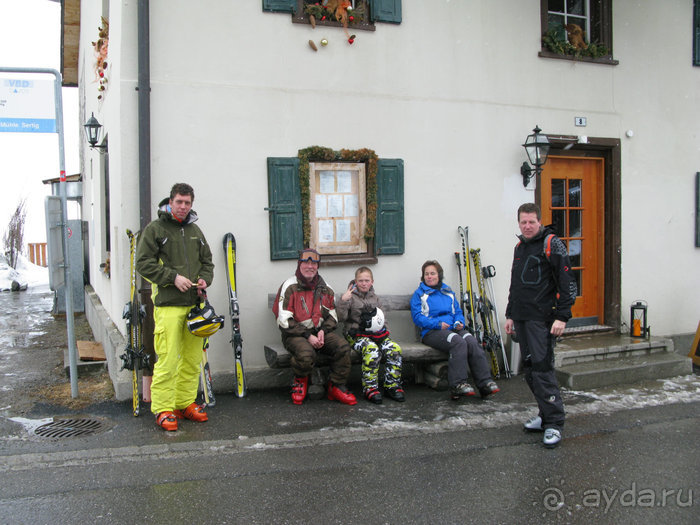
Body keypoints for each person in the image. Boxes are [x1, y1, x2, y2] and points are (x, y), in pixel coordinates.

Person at [135, 183, 214, 431]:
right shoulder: (156, 229)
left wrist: (204, 280)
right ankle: (163, 408)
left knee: (192, 359)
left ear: (191, 204)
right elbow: (143, 263)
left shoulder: (195, 231)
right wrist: (172, 278)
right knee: (168, 359)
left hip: (194, 306)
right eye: (179, 202)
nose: (183, 207)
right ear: (170, 202)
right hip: (169, 305)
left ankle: (184, 402)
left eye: (187, 203)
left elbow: (207, 263)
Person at [504, 203, 577, 449]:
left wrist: (562, 317)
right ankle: (545, 415)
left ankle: (555, 423)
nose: (527, 226)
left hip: (542, 319)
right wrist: (510, 314)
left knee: (543, 369)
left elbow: (567, 283)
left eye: (531, 222)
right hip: (522, 318)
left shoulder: (552, 244)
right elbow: (515, 285)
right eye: (523, 222)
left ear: (539, 221)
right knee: (530, 370)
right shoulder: (520, 247)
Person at [272, 249, 357, 406]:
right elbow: (283, 320)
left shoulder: (325, 288)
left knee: (343, 347)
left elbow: (333, 316)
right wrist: (307, 336)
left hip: (319, 332)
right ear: (299, 264)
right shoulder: (290, 286)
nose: (310, 266)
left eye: (314, 263)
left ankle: (336, 385)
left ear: (318, 266)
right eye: (306, 263)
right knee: (306, 354)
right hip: (295, 334)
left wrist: (323, 331)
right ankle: (301, 379)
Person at [410, 260, 500, 400]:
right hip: (432, 332)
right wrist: (437, 324)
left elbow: (457, 311)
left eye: (432, 273)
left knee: (470, 340)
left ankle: (484, 383)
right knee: (457, 342)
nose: (429, 276)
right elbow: (417, 317)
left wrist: (459, 322)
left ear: (439, 275)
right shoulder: (419, 294)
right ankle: (458, 385)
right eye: (426, 274)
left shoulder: (448, 291)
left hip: (452, 328)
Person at [337, 266, 405, 404]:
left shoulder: (375, 298)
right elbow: (340, 318)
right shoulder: (350, 297)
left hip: (376, 334)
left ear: (372, 282)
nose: (363, 283)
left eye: (366, 280)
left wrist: (385, 330)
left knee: (394, 349)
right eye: (360, 280)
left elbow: (381, 317)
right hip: (356, 335)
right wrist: (343, 301)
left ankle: (392, 385)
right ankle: (370, 388)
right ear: (356, 281)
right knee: (372, 350)